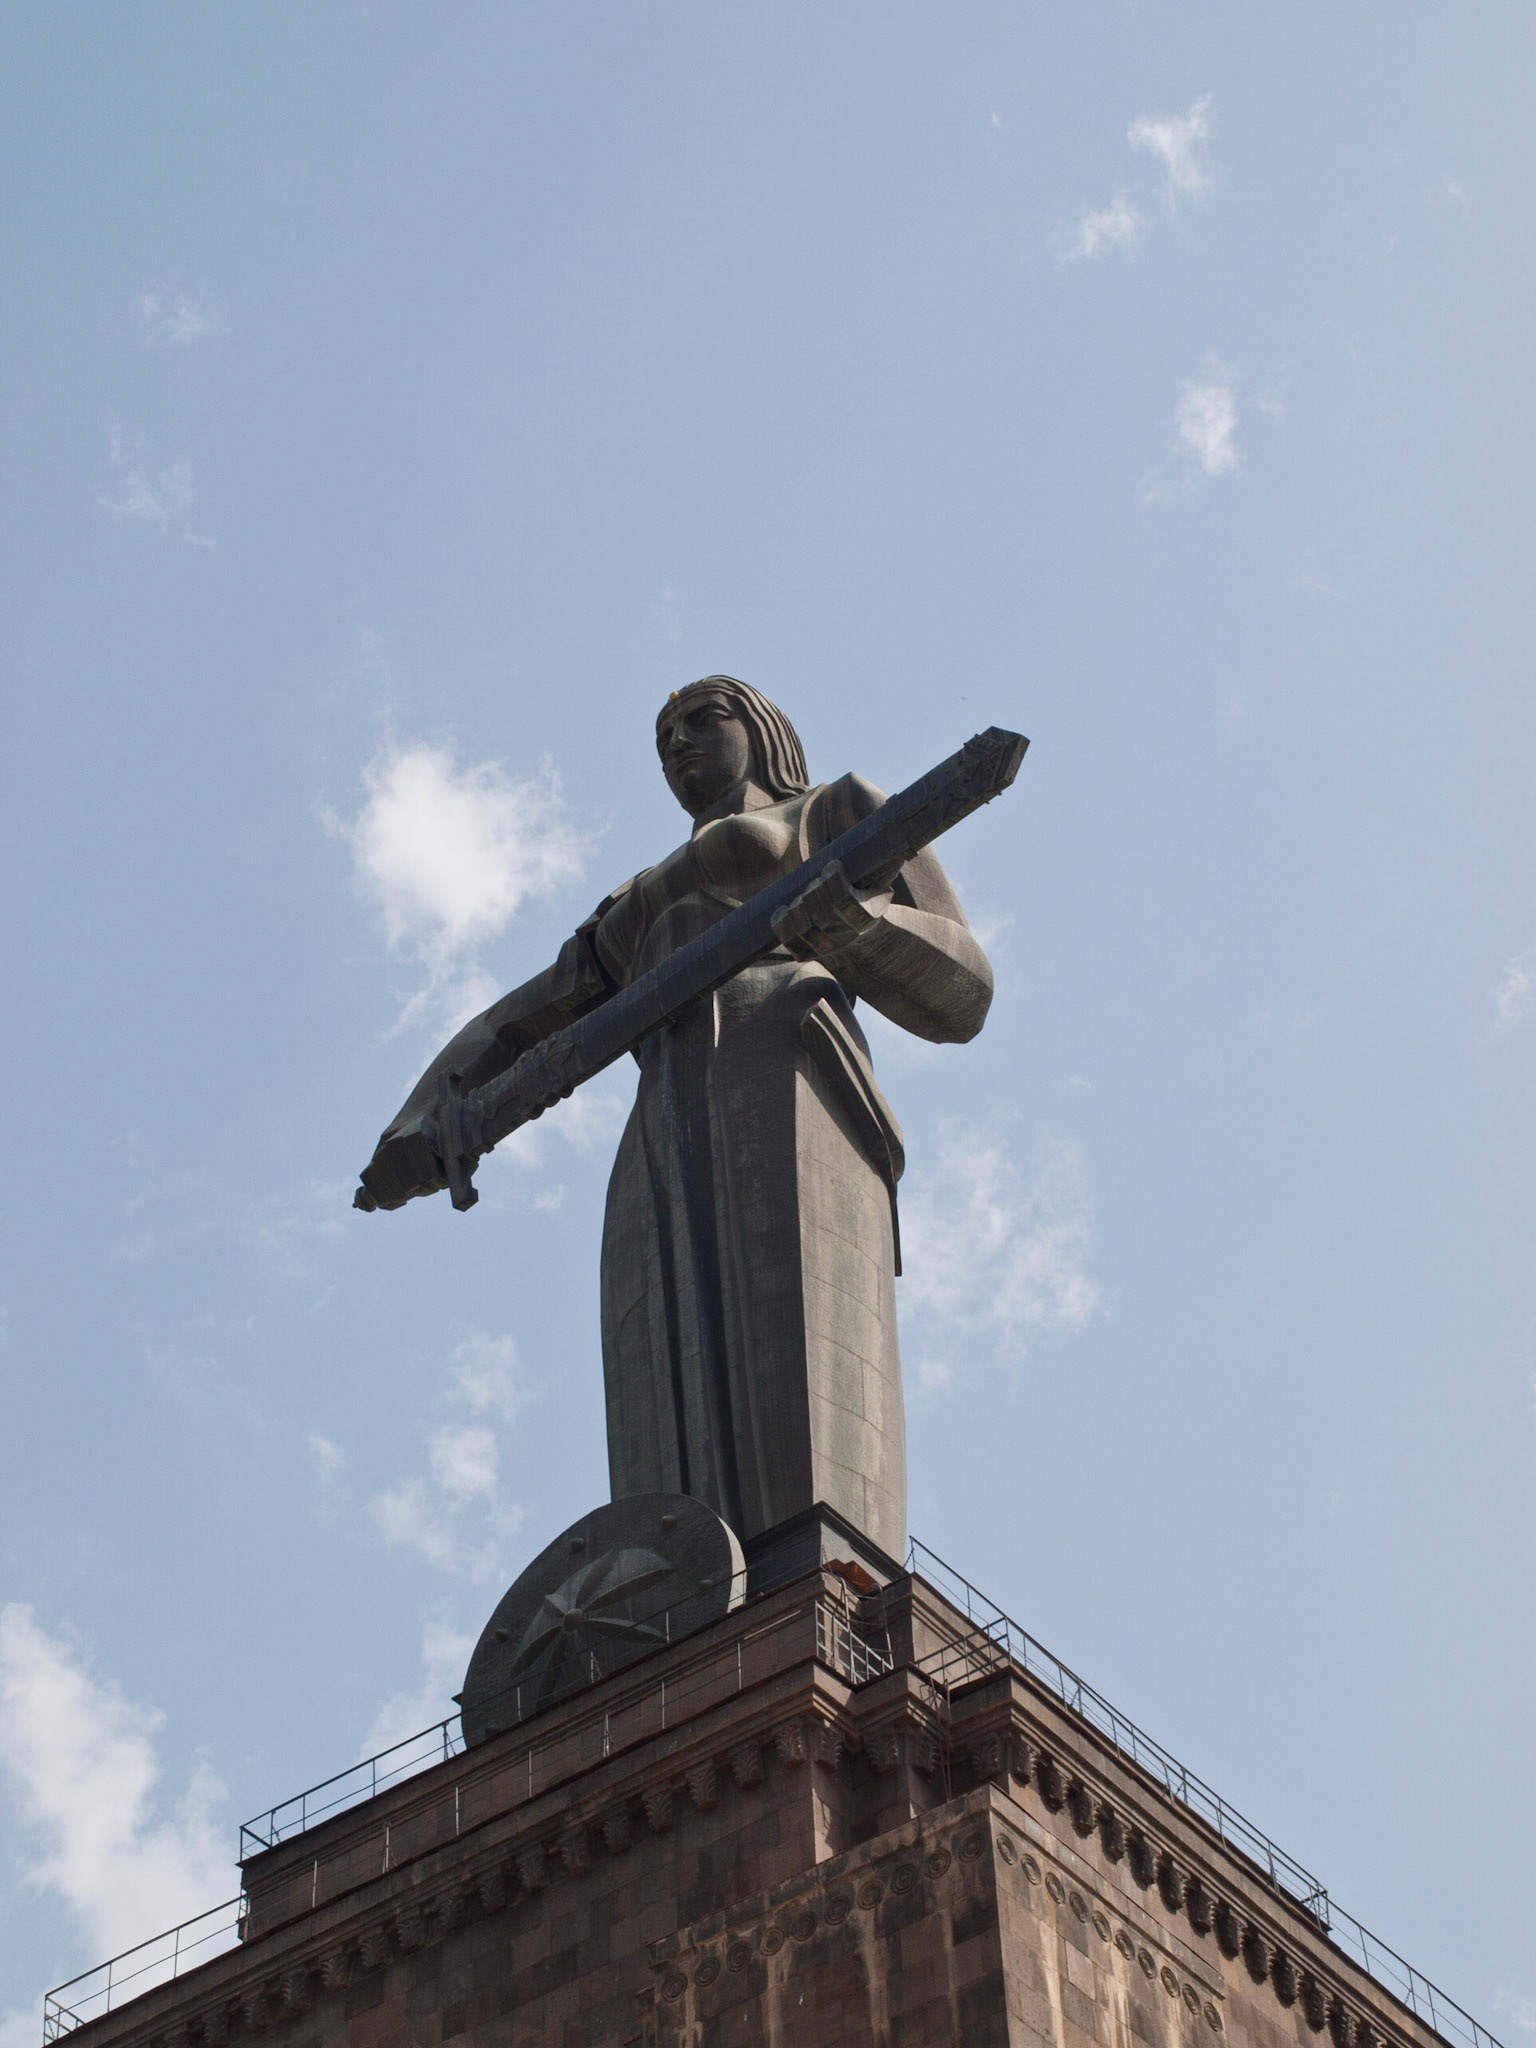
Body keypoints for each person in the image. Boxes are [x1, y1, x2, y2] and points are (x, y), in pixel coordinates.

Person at [359, 677, 994, 1564]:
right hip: (662, 1098)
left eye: (703, 719)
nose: (678, 743)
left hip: (789, 1056)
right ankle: (688, 1577)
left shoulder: (838, 809)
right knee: (659, 1349)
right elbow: (520, 1018)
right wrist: (419, 1120)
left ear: (762, 729)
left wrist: (855, 927)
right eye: (663, 737)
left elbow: (965, 990)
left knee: (792, 1327)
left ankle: (824, 1566)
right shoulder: (634, 900)